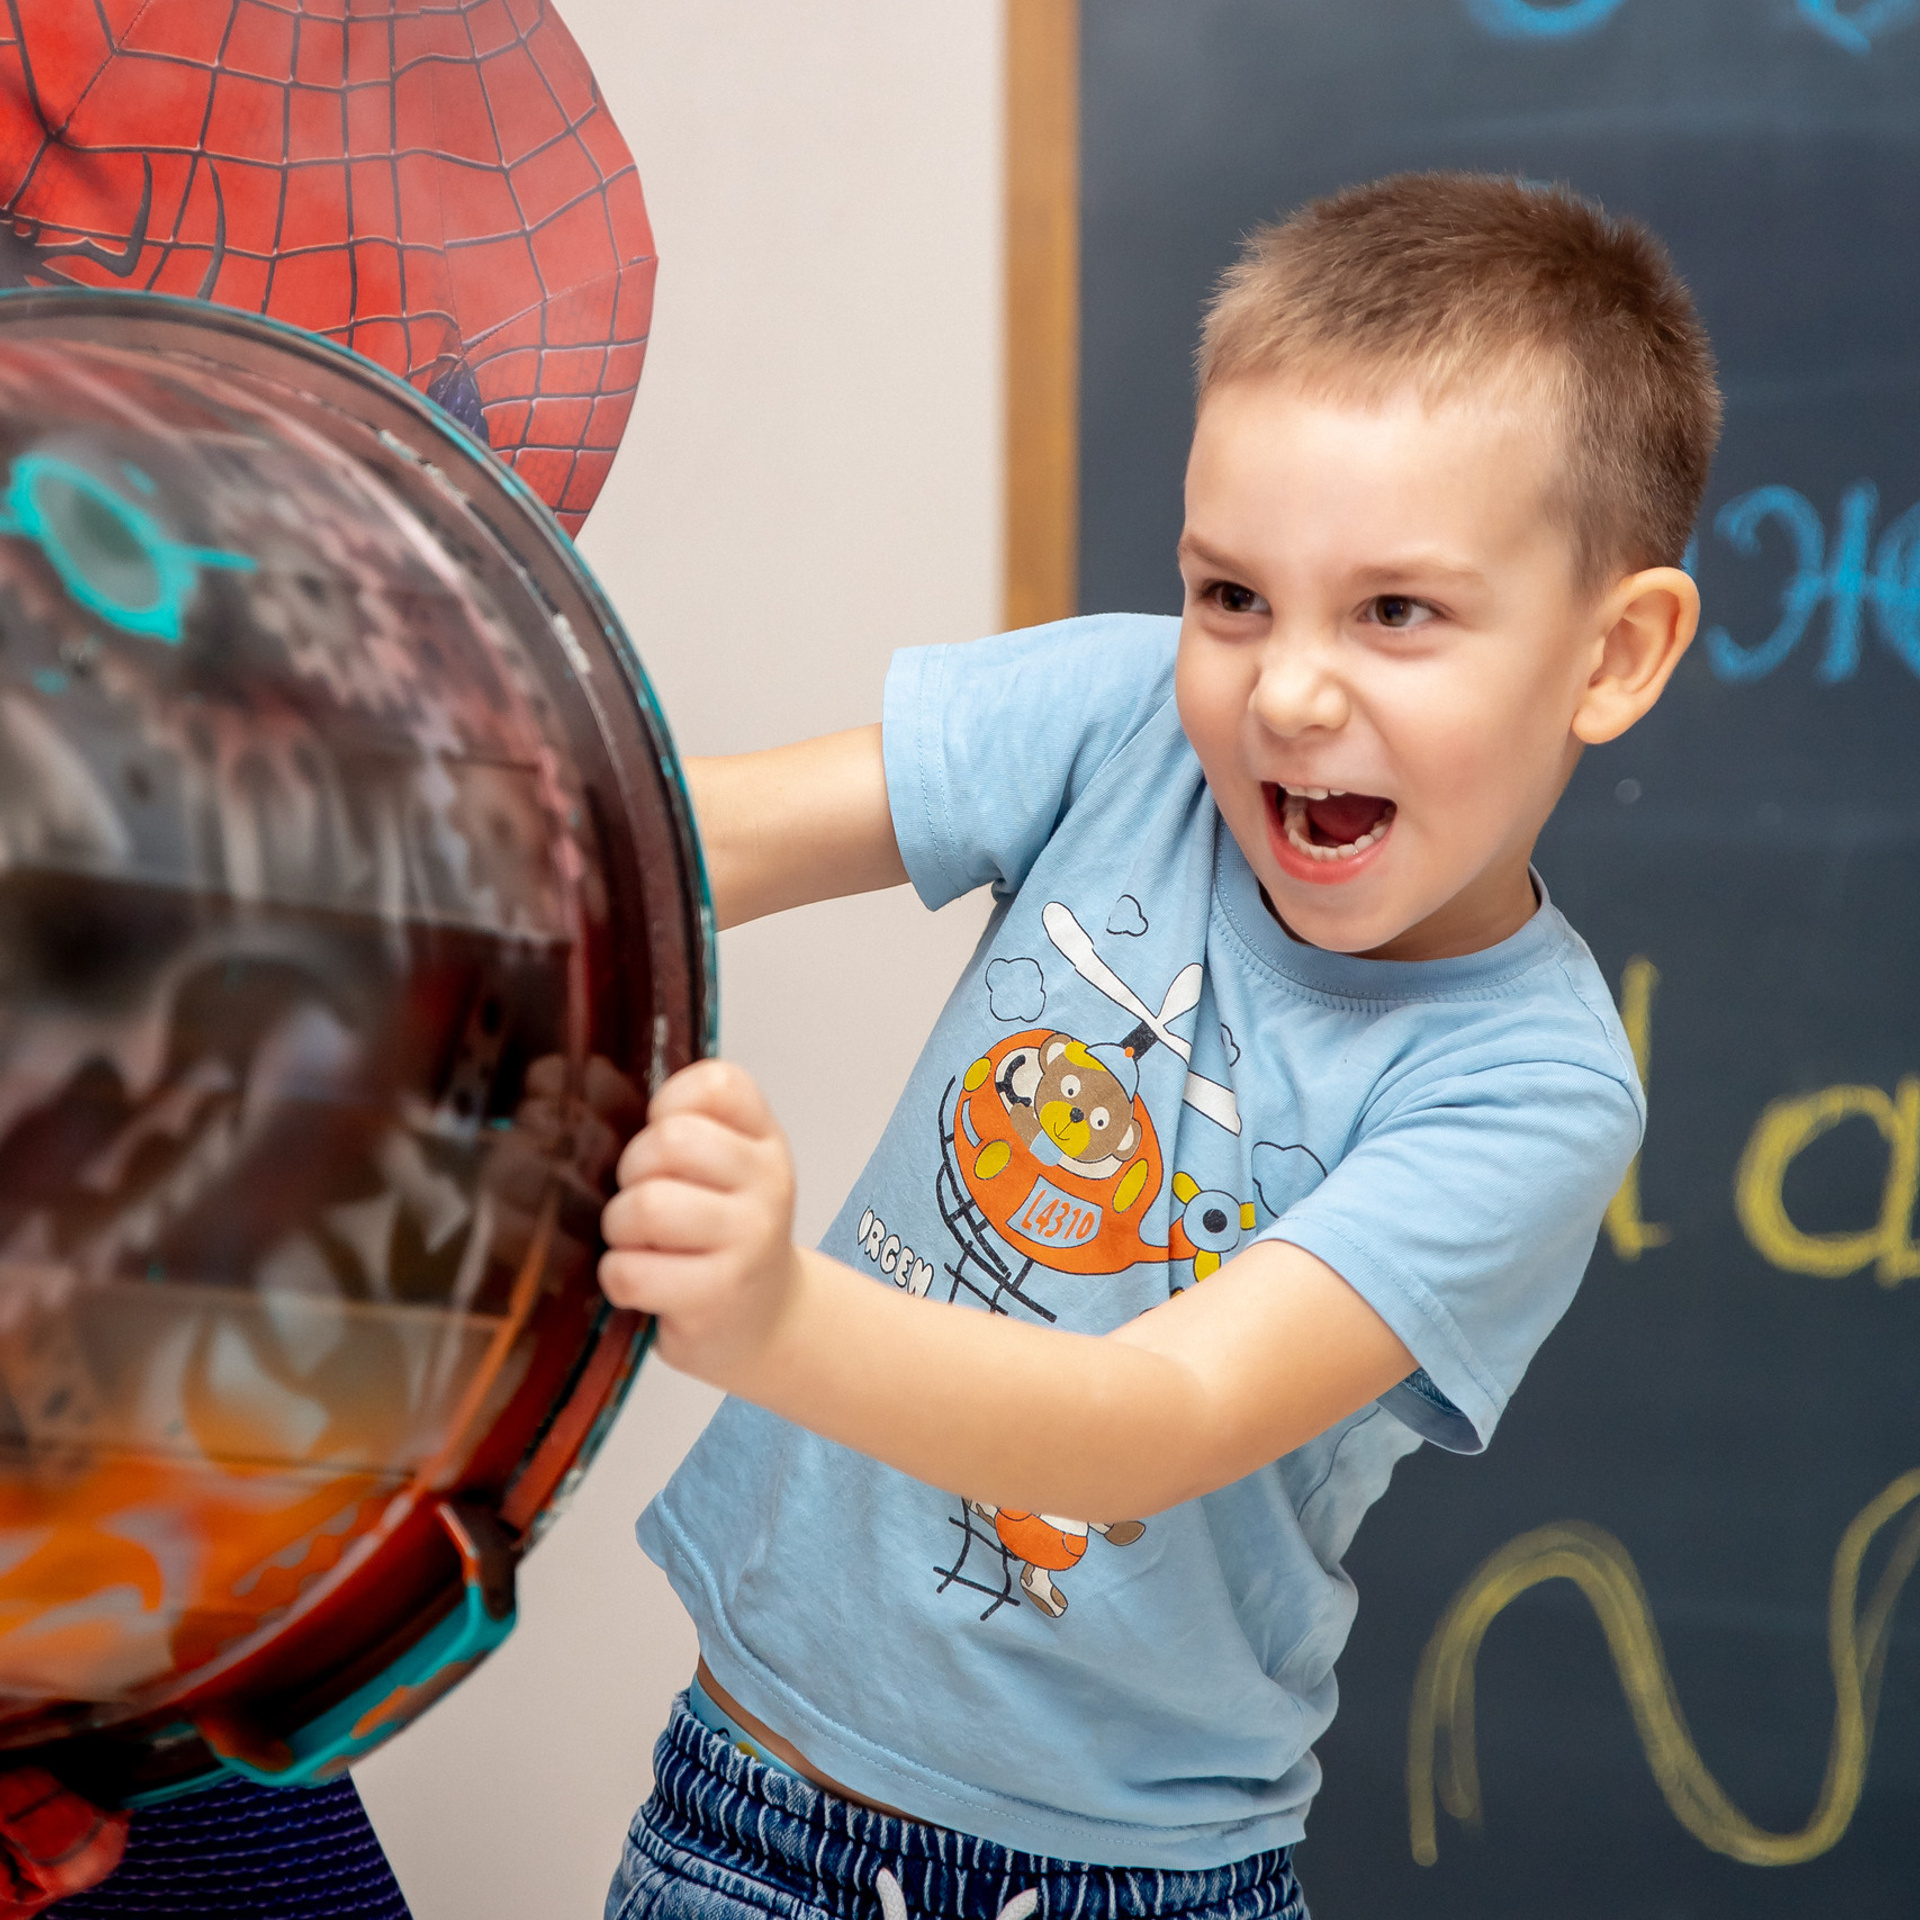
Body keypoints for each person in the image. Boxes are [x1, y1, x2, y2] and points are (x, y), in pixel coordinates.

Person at [597, 171, 1721, 1920]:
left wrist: (770, 1321)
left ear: (1617, 651)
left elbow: (1154, 1419)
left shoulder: (1532, 1090)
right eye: (1233, 597)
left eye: (1397, 613)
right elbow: (669, 843)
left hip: (1119, 1889)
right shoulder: (1126, 717)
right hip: (740, 1807)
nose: (1285, 694)